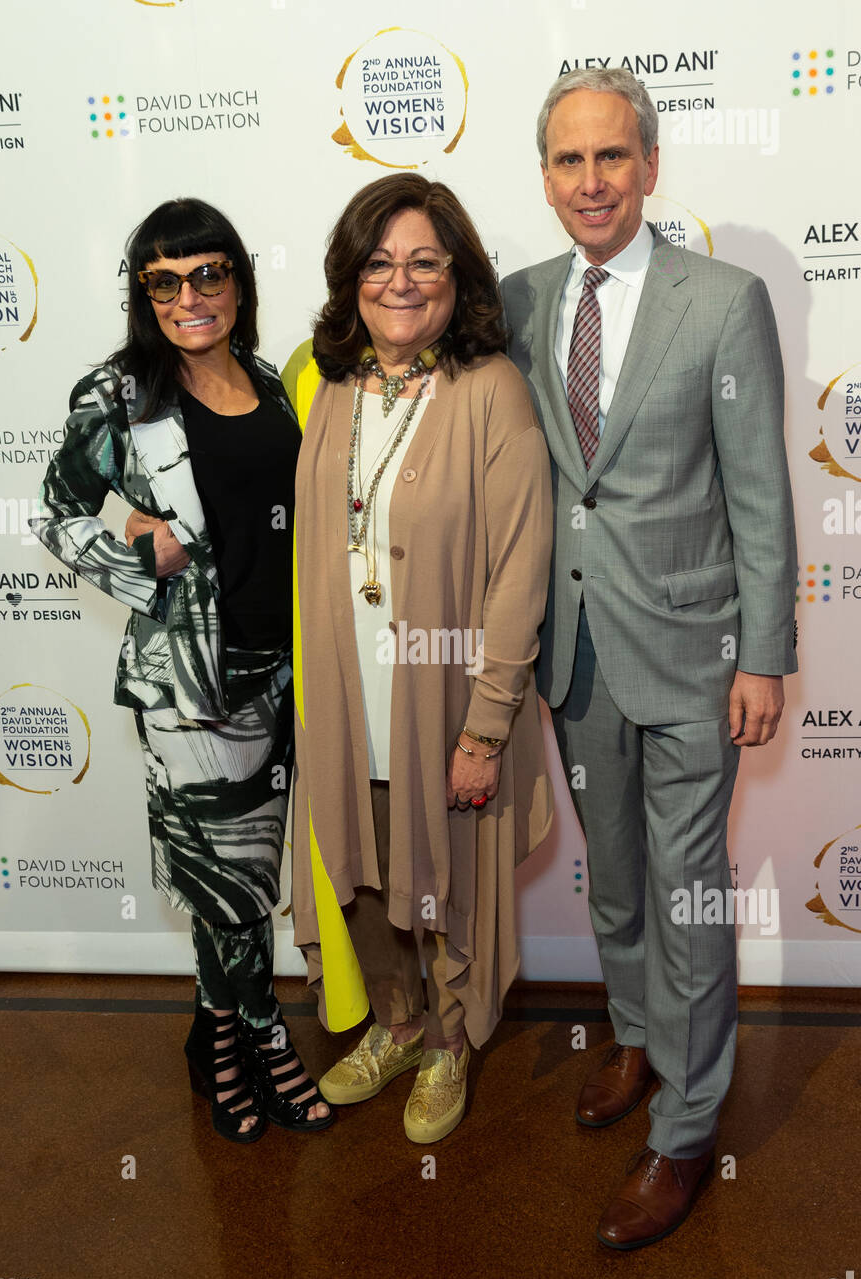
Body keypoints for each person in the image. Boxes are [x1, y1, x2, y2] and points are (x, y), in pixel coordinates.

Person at [502, 70, 797, 1246]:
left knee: (685, 890)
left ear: (649, 165)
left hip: (692, 653)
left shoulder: (721, 301)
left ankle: (683, 1128)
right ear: (544, 176)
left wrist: (762, 653)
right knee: (616, 875)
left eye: (609, 158)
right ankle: (634, 1033)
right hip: (571, 656)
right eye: (567, 162)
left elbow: (761, 494)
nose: (589, 182)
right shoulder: (520, 301)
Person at [30, 197, 331, 1143]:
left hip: (283, 674)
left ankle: (211, 1038)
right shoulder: (120, 395)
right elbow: (53, 512)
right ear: (143, 295)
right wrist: (136, 551)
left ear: (238, 281)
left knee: (231, 877)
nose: (188, 297)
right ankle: (263, 1036)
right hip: (188, 687)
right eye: (163, 282)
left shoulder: (271, 385)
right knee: (234, 889)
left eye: (207, 274)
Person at [288, 173, 553, 1144]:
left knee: (440, 875)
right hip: (345, 693)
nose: (399, 281)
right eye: (378, 261)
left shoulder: (490, 391)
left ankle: (447, 1043)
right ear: (351, 276)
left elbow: (522, 571)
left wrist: (486, 727)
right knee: (362, 871)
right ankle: (396, 1027)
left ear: (458, 276)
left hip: (443, 701)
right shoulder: (331, 385)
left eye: (424, 261)